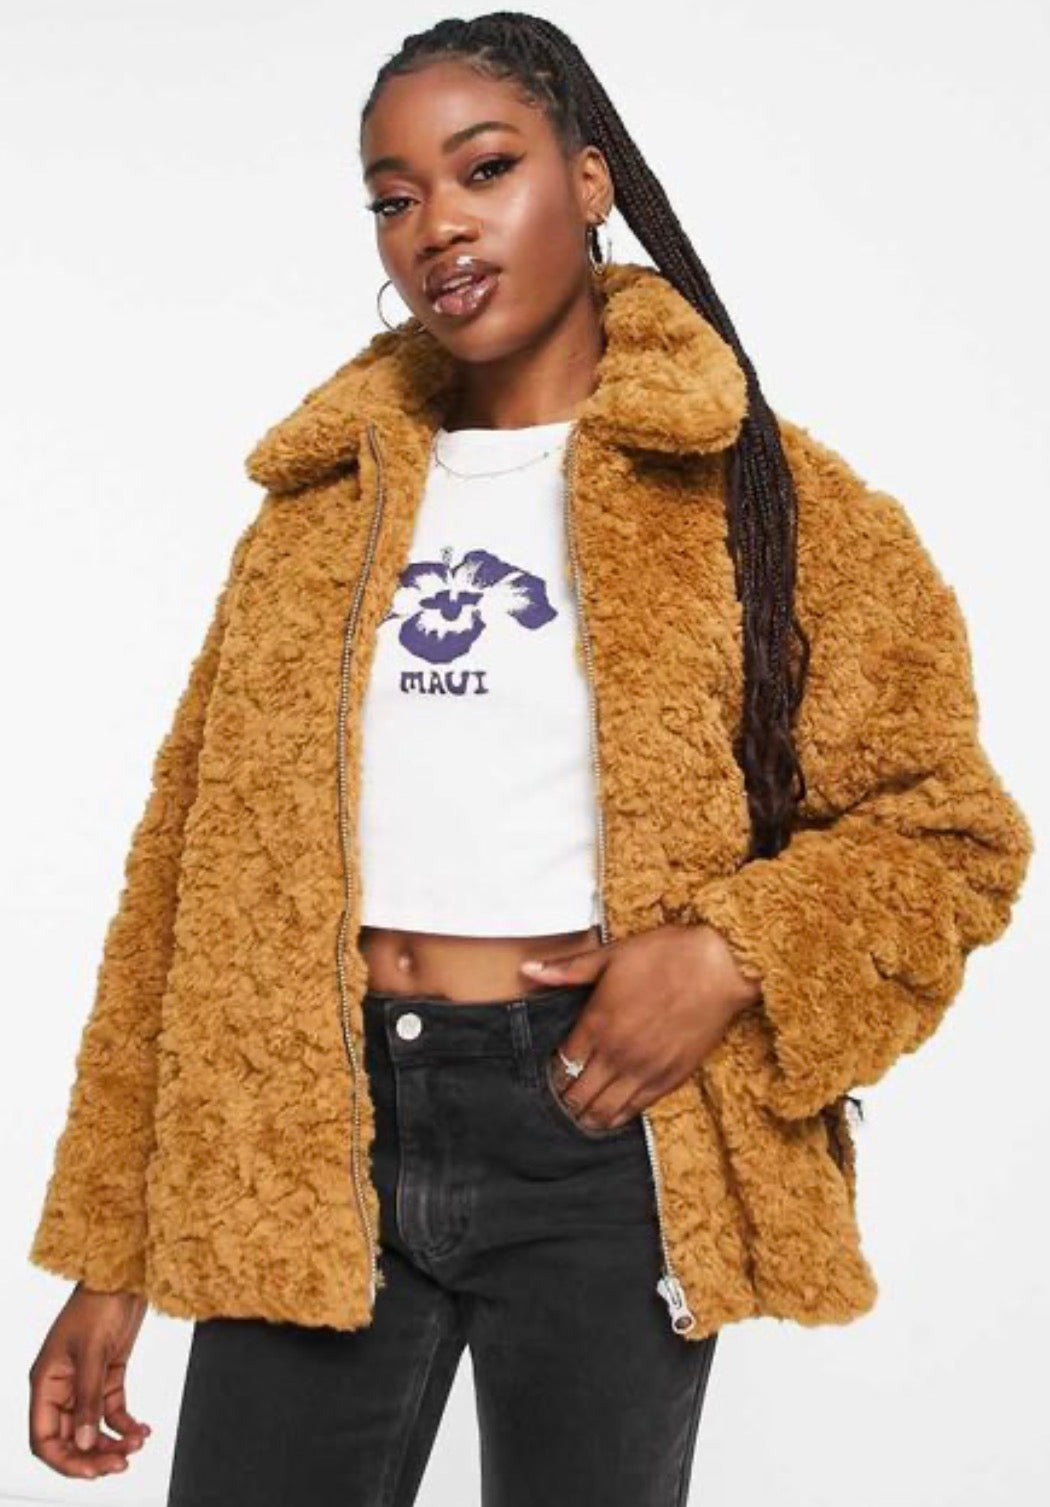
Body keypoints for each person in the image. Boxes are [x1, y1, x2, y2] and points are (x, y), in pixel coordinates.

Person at [26, 11, 1033, 1504]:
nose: (435, 223)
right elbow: (183, 881)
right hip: (315, 1127)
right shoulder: (315, 516)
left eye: (483, 168)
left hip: (597, 1126)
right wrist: (112, 1251)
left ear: (590, 176)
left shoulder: (767, 500)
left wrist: (730, 953)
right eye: (393, 196)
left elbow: (947, 832)